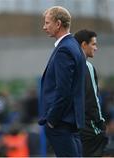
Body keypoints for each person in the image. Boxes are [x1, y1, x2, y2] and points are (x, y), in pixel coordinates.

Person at [38, 6, 86, 157]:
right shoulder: (74, 46)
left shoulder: (64, 49)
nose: (44, 27)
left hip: (61, 123)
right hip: (70, 121)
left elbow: (64, 90)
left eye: (47, 23)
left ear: (58, 24)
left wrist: (52, 120)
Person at [74, 29, 108, 156]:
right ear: (83, 44)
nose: (96, 48)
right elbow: (93, 99)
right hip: (89, 127)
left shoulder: (69, 64)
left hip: (72, 127)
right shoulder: (87, 66)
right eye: (93, 44)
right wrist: (100, 123)